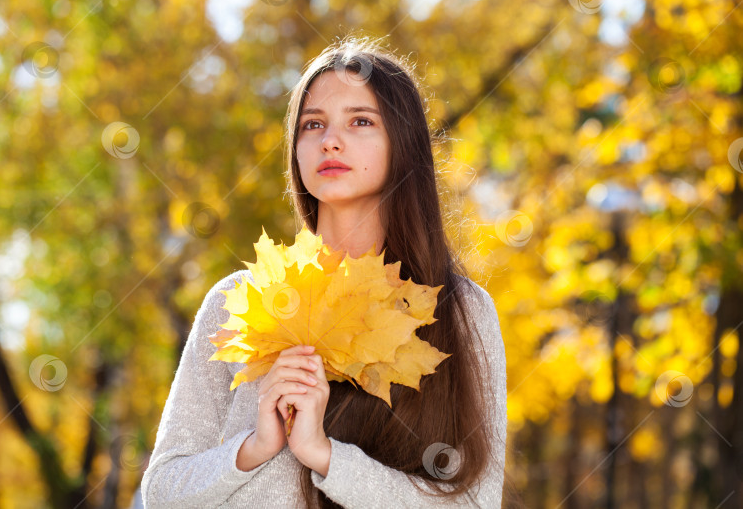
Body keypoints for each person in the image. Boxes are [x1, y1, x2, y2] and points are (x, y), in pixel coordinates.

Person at [141, 36, 507, 508]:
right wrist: (254, 448)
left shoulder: (460, 310)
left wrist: (326, 457)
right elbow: (162, 492)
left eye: (360, 121)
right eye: (313, 124)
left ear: (403, 143)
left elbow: (474, 503)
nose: (330, 140)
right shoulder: (238, 300)